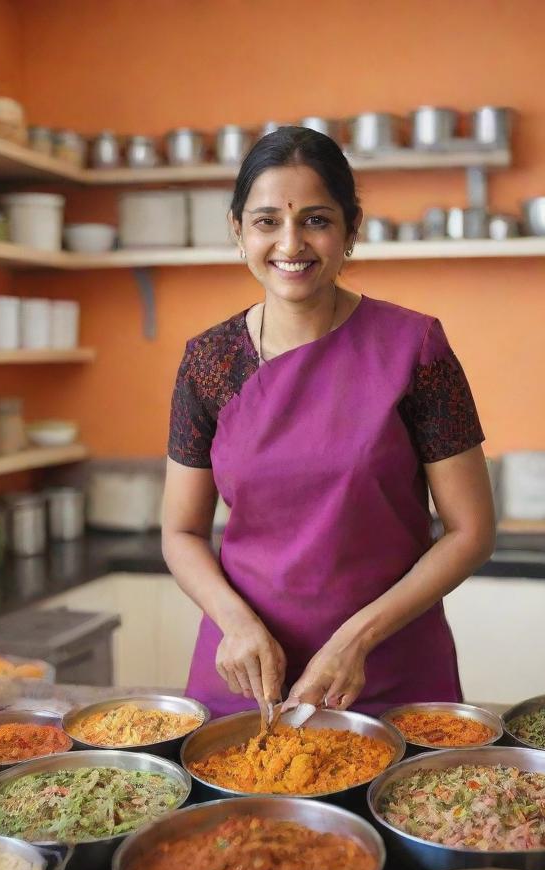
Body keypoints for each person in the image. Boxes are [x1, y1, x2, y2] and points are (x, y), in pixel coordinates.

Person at [163, 126, 495, 719]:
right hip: (245, 671)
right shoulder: (210, 363)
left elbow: (471, 530)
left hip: (386, 669)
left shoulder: (415, 348)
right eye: (267, 221)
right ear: (237, 231)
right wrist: (234, 623)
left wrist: (356, 640)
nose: (291, 242)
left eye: (315, 219)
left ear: (351, 230)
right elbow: (181, 532)